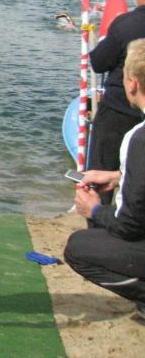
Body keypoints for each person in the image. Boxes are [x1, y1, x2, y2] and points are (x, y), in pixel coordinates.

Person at [65, 38, 145, 322]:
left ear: (131, 84)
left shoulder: (138, 138)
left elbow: (128, 225)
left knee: (78, 248)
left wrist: (95, 210)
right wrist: (118, 177)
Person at [89, 0, 145, 204]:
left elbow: (99, 62)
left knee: (101, 174)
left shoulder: (126, 25)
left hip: (119, 112)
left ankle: (97, 216)